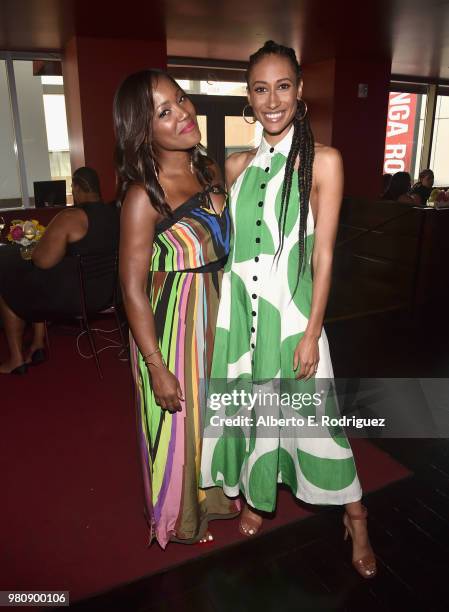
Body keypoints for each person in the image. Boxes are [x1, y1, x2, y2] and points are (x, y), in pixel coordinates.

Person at [200, 40, 376, 579]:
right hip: (242, 320)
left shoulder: (324, 161)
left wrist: (311, 331)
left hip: (293, 317)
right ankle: (256, 499)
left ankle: (357, 516)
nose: (271, 98)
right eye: (260, 88)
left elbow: (323, 255)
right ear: (247, 99)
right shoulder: (235, 165)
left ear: (299, 93)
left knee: (318, 420)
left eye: (282, 86)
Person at [113, 69, 239, 549]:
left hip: (219, 308)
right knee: (182, 421)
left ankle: (220, 496)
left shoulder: (208, 170)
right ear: (144, 131)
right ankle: (183, 514)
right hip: (175, 324)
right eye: (164, 112)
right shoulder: (143, 197)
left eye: (181, 99)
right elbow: (130, 288)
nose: (183, 113)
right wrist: (155, 366)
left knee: (217, 407)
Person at [0, 166, 119, 374]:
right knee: (37, 280)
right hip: (109, 294)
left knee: (8, 282)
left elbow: (42, 260)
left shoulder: (72, 217)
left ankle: (17, 359)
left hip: (77, 299)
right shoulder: (115, 214)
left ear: (78, 188)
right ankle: (37, 344)